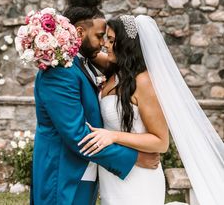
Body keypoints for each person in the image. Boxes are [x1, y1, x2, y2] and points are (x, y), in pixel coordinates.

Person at [32, 0, 160, 205]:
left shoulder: (81, 62)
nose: (104, 43)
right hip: (64, 175)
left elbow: (118, 63)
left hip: (88, 173)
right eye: (100, 36)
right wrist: (135, 157)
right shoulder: (60, 72)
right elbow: (77, 135)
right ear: (80, 33)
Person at [79, 15, 224, 205]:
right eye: (106, 38)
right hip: (113, 175)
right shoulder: (114, 72)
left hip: (139, 178)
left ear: (126, 45)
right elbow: (86, 51)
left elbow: (161, 142)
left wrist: (113, 136)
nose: (105, 45)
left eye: (112, 40)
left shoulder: (144, 82)